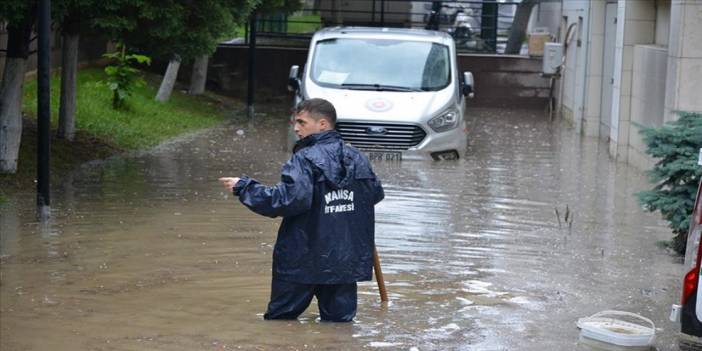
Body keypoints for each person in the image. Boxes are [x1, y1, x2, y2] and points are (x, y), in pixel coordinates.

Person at [219, 98, 384, 322]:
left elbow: (288, 201)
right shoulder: (358, 158)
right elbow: (374, 195)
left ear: (323, 124)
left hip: (301, 259)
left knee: (280, 322)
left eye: (301, 122)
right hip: (344, 262)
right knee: (340, 326)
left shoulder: (303, 159)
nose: (295, 128)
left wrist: (245, 187)